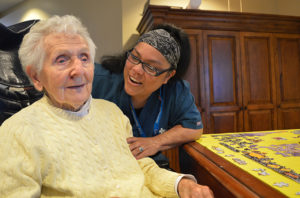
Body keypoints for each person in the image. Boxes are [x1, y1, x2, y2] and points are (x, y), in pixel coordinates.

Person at [0, 15, 213, 198]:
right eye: (62, 60)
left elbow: (139, 166)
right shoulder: (16, 134)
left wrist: (181, 184)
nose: (79, 70)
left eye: (84, 58)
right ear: (36, 77)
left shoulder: (112, 113)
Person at [92, 23, 203, 166]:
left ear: (168, 76)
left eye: (151, 67)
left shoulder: (175, 90)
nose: (137, 69)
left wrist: (156, 142)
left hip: (149, 167)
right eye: (135, 57)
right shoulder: (97, 79)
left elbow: (194, 128)